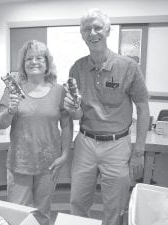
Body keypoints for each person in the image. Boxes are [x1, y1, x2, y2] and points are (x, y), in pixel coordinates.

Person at [64, 9, 150, 225]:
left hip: (117, 145)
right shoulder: (77, 68)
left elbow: (142, 107)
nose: (92, 33)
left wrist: (139, 151)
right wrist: (73, 108)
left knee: (115, 207)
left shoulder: (128, 67)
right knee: (77, 203)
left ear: (107, 31)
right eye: (86, 29)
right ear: (82, 34)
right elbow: (77, 113)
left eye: (97, 28)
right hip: (85, 142)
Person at [0, 40, 72, 225]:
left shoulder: (59, 91)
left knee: (42, 214)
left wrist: (65, 154)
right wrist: (10, 111)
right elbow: (0, 123)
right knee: (16, 214)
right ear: (23, 64)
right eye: (29, 58)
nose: (34, 62)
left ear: (47, 63)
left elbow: (67, 124)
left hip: (49, 164)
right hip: (19, 163)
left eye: (39, 58)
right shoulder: (13, 89)